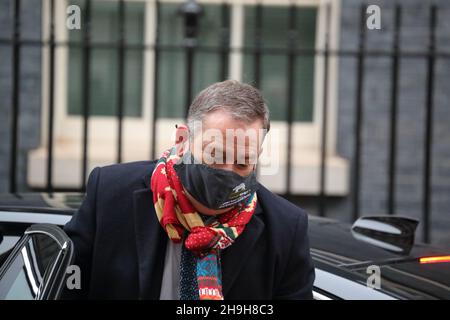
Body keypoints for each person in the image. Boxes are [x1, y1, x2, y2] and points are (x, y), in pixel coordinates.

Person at [63, 80, 315, 300]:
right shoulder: (110, 194)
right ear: (182, 141)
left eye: (242, 163)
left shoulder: (285, 229)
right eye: (215, 155)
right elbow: (67, 288)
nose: (227, 172)